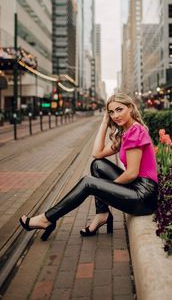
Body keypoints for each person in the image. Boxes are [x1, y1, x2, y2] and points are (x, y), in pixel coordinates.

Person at [19, 93, 158, 240]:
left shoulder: (135, 131)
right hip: (137, 187)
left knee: (89, 183)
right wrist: (104, 123)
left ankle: (46, 219)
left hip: (143, 196)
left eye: (119, 109)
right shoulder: (126, 131)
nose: (115, 115)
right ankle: (102, 214)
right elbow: (97, 154)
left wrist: (105, 188)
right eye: (111, 112)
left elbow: (131, 174)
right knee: (98, 165)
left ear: (130, 108)